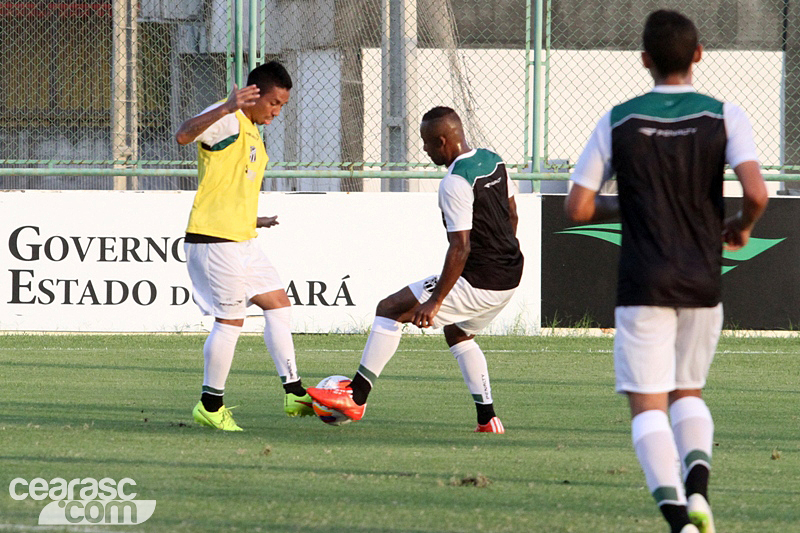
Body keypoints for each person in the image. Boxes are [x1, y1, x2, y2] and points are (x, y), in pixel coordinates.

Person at [565, 10, 768, 533]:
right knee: (688, 393)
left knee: (648, 405)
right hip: (703, 278)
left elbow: (578, 208)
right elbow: (757, 194)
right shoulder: (726, 114)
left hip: (644, 280)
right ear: (699, 55)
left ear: (645, 60)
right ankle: (699, 491)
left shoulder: (619, 118)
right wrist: (742, 227)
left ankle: (678, 519)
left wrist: (628, 205)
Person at [308, 106, 523, 433]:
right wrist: (502, 254)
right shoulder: (494, 160)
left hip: (481, 280)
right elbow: (513, 214)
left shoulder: (454, 182)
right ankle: (487, 418)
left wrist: (435, 301)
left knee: (390, 308)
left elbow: (460, 247)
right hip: (510, 274)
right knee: (458, 332)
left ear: (443, 141)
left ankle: (357, 397)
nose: (424, 149)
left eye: (426, 143)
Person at [175, 61, 314, 431]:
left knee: (278, 303)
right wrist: (226, 106)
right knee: (230, 321)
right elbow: (184, 135)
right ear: (252, 95)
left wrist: (254, 219)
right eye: (274, 103)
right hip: (215, 241)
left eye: (282, 105)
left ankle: (294, 391)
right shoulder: (229, 117)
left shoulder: (250, 129)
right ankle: (210, 404)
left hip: (241, 238)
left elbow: (228, 186)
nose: (277, 111)